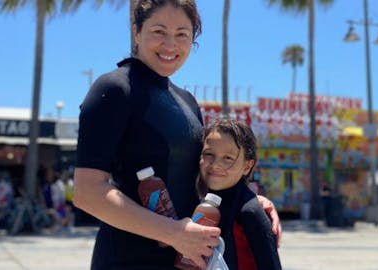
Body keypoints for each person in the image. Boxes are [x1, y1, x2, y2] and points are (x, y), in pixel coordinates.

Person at [72, 1, 280, 269]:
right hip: (127, 259)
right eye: (159, 31)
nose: (170, 44)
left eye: (182, 34)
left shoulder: (188, 102)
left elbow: (198, 180)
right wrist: (173, 233)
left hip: (186, 260)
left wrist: (248, 199)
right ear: (137, 31)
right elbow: (87, 192)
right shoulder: (115, 89)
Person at [196, 118, 282, 269]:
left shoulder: (250, 212)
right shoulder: (198, 202)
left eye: (228, 158)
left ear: (247, 166)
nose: (216, 164)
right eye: (209, 154)